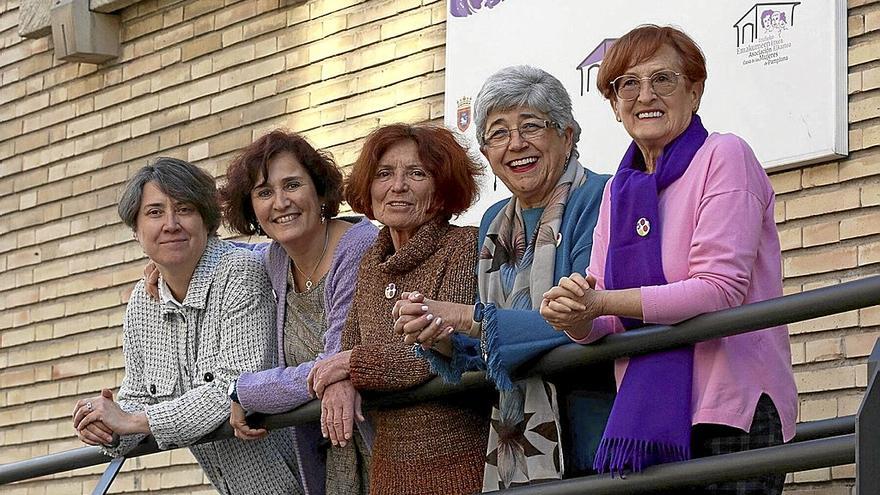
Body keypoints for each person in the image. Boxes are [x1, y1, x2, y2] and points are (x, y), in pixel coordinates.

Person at [540, 25, 798, 494]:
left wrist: (602, 304)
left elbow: (719, 289)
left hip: (729, 408)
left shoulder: (724, 154)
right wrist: (574, 314)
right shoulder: (618, 192)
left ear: (694, 91)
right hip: (648, 422)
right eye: (628, 85)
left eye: (663, 79)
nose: (645, 95)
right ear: (615, 106)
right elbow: (605, 320)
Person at [395, 65, 614, 490]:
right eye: (498, 133)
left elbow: (586, 318)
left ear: (567, 135)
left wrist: (466, 317)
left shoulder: (602, 197)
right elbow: (494, 350)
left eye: (531, 125)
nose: (516, 144)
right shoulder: (495, 221)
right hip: (516, 441)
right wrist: (440, 334)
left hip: (593, 427)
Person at [71, 158, 301, 494]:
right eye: (154, 212)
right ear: (136, 231)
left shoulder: (239, 273)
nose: (170, 224)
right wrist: (106, 425)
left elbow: (237, 390)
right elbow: (137, 396)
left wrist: (134, 421)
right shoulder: (143, 300)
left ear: (206, 222)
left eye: (184, 209)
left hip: (304, 480)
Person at [306, 123, 488, 495]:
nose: (397, 186)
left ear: (441, 189)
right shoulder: (372, 261)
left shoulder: (463, 246)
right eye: (384, 174)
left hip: (460, 465)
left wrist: (348, 366)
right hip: (389, 470)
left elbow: (432, 353)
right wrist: (340, 380)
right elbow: (347, 346)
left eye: (417, 174)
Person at [219, 130, 378, 495]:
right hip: (330, 457)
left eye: (292, 185)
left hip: (382, 444)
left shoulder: (359, 248)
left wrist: (244, 390)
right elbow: (216, 260)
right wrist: (163, 269)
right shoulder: (273, 260)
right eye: (264, 192)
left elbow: (333, 362)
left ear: (319, 190)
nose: (280, 202)